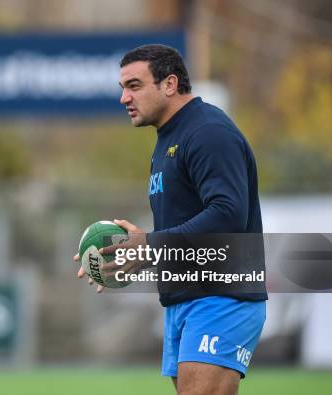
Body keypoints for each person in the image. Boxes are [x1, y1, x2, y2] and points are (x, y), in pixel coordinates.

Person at [74, 44, 267, 395]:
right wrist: (143, 254)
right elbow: (185, 228)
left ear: (169, 84)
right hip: (184, 300)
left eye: (134, 86)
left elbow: (228, 214)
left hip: (222, 297)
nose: (124, 98)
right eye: (122, 88)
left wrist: (149, 244)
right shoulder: (168, 139)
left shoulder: (208, 131)